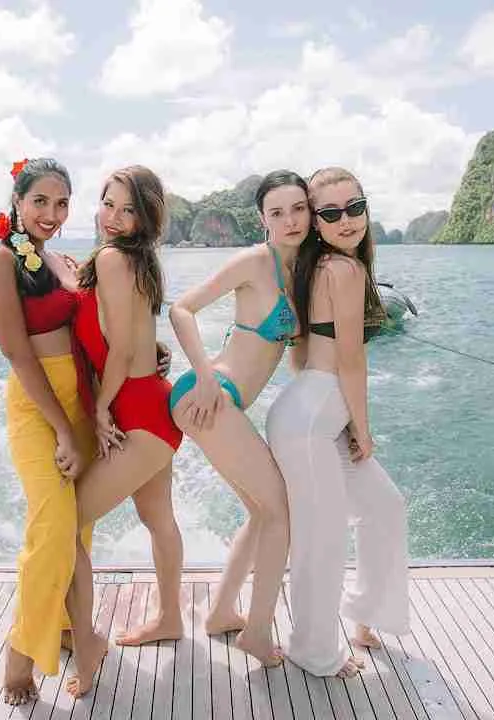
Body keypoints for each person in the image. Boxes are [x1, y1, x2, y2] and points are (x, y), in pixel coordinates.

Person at [265, 166, 410, 678]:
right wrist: (362, 428)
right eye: (330, 212)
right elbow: (350, 359)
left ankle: (364, 613)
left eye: (355, 207)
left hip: (316, 416)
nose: (347, 219)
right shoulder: (341, 271)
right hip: (311, 423)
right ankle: (314, 649)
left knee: (385, 507)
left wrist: (338, 420)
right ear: (317, 222)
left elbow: (302, 355)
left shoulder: (323, 267)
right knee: (321, 539)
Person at [164, 170, 312, 666]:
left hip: (225, 402)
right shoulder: (254, 261)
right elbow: (182, 308)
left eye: (298, 209)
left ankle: (224, 612)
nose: (289, 220)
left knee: (262, 511)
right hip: (208, 394)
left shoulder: (303, 271)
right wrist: (204, 375)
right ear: (263, 219)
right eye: (277, 212)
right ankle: (257, 629)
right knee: (280, 511)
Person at [64, 165, 185, 698]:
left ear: (145, 216)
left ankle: (85, 642)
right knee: (158, 518)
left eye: (127, 208)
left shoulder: (114, 259)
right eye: (107, 204)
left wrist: (100, 410)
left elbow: (116, 353)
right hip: (156, 410)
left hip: (136, 412)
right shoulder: (138, 262)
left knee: (65, 522)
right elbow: (140, 340)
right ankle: (170, 618)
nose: (113, 217)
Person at [0, 157, 93, 705]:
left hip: (83, 400)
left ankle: (69, 627)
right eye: (41, 201)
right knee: (51, 529)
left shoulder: (64, 260)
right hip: (37, 406)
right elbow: (17, 352)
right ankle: (19, 658)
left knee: (78, 527)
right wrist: (63, 431)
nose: (52, 213)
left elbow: (92, 329)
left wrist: (150, 355)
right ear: (18, 201)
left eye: (62, 202)